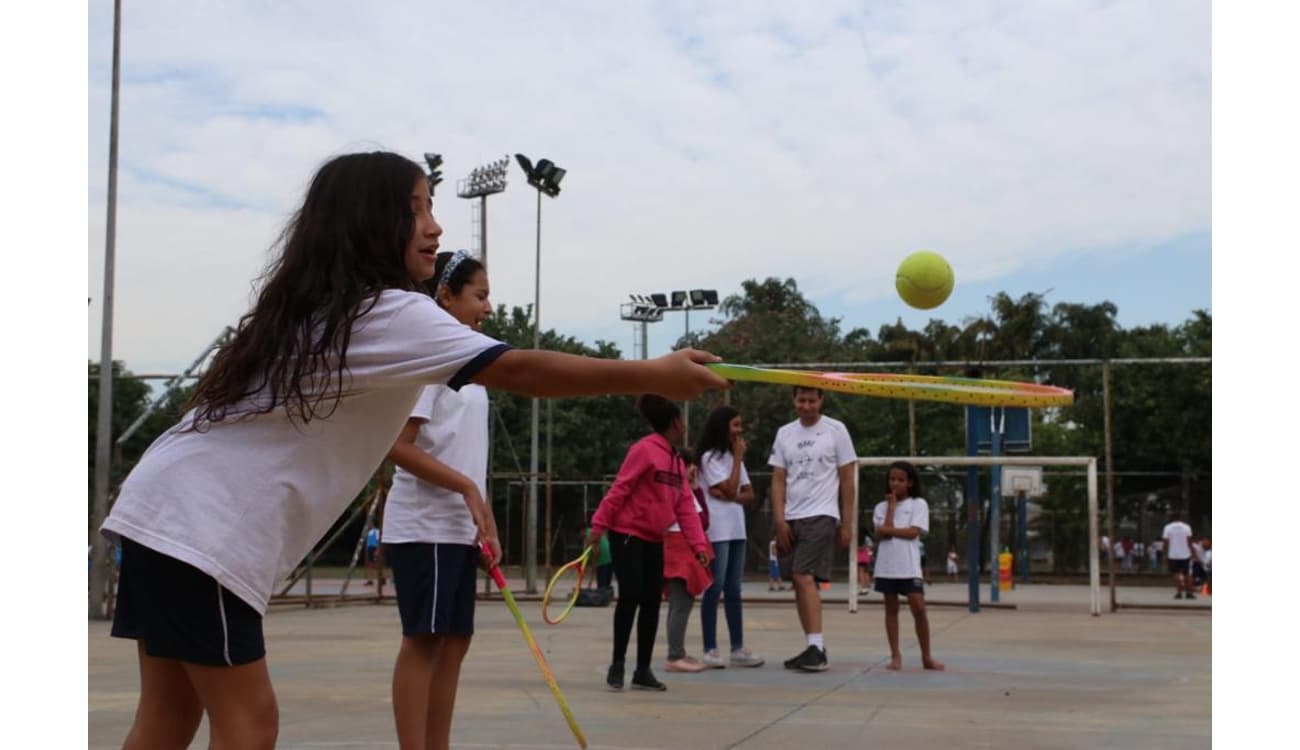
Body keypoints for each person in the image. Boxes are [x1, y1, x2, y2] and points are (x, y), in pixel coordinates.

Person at [98, 151, 728, 749]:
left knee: (169, 715)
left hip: (160, 514)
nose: (435, 225)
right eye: (418, 209)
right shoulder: (388, 312)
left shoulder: (314, 310)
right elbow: (526, 371)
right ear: (373, 223)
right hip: (203, 530)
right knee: (249, 724)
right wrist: (652, 372)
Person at [380, 250, 502, 750]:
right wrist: (467, 489)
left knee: (455, 644)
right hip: (423, 526)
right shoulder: (430, 364)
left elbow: (468, 457)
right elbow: (396, 446)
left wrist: (487, 521)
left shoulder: (470, 368)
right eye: (480, 295)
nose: (488, 307)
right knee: (424, 642)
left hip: (458, 529)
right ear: (445, 297)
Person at [588, 395, 712, 692]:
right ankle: (617, 664)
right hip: (628, 534)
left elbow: (685, 505)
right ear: (674, 423)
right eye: (682, 420)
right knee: (630, 596)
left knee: (652, 602)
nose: (685, 425)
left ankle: (642, 670)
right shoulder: (644, 451)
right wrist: (598, 526)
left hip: (655, 538)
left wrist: (699, 546)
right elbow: (620, 489)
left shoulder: (675, 461)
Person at [769, 386, 856, 673]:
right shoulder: (785, 433)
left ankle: (817, 647)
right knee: (798, 581)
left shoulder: (835, 430)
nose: (806, 406)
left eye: (812, 400)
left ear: (821, 400)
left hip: (821, 513)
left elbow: (847, 478)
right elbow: (779, 479)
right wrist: (780, 520)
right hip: (792, 515)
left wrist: (847, 520)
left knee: (803, 575)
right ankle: (812, 645)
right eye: (801, 400)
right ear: (793, 400)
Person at [694, 406, 765, 669]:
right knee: (715, 586)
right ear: (722, 427)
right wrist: (736, 463)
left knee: (734, 588)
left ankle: (737, 647)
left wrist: (730, 491)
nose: (740, 430)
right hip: (717, 530)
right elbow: (733, 487)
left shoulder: (734, 458)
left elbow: (748, 494)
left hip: (737, 529)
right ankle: (710, 648)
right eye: (735, 425)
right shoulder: (710, 458)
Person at [872, 461, 944, 671]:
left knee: (919, 608)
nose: (895, 483)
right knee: (891, 609)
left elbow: (914, 532)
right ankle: (895, 655)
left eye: (900, 480)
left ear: (910, 482)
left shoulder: (918, 504)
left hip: (909, 567)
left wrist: (889, 530)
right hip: (886, 567)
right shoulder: (881, 507)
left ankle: (927, 656)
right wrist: (891, 509)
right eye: (892, 479)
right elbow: (881, 535)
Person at [661, 449, 713, 674]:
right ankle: (674, 655)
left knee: (681, 602)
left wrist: (695, 489)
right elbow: (700, 521)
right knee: (680, 603)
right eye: (687, 464)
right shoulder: (671, 490)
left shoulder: (686, 490)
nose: (692, 469)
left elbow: (703, 520)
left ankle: (678, 651)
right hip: (677, 547)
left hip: (685, 547)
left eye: (693, 465)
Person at [1162, 512, 1197, 600]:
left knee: (1176, 574)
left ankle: (1179, 593)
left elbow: (1166, 542)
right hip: (1185, 554)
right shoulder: (1186, 527)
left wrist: (1165, 554)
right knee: (1187, 574)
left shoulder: (1167, 528)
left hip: (1173, 554)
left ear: (1171, 519)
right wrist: (1193, 553)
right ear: (1181, 518)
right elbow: (1189, 541)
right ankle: (1189, 593)